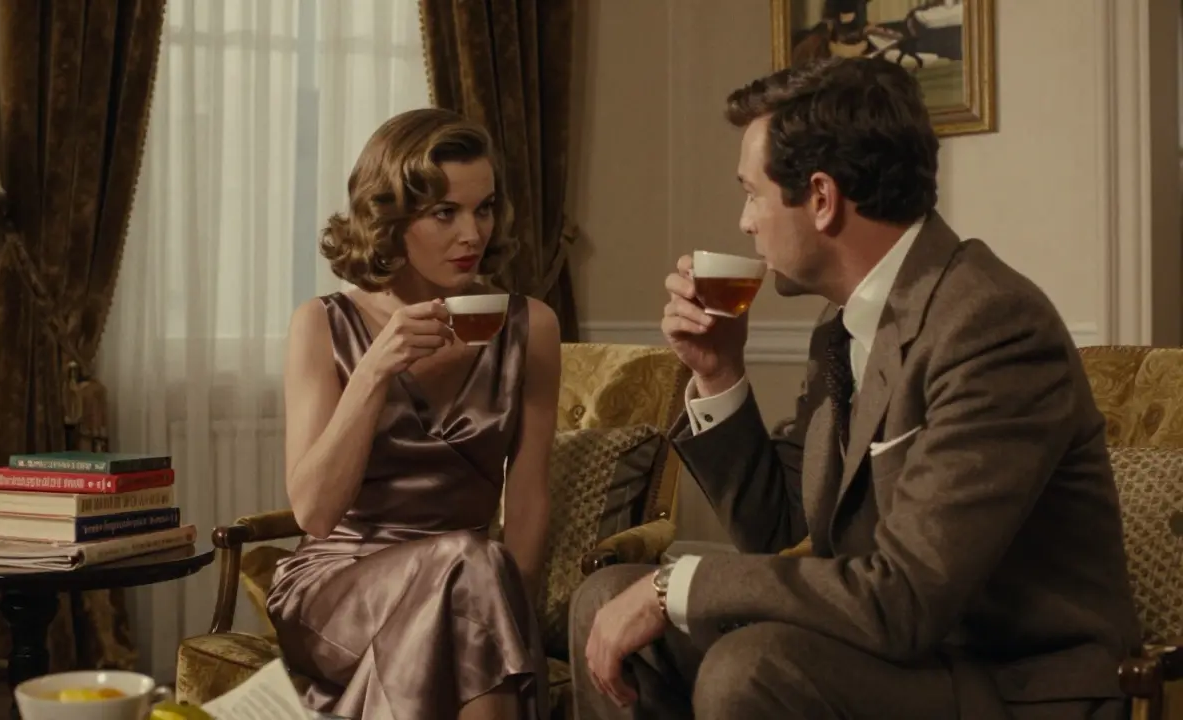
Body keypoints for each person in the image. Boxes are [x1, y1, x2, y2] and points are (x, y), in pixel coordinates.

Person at [569, 56, 1141, 719]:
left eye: (751, 194)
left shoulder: (990, 327)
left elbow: (907, 599)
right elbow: (781, 528)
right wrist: (718, 373)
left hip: (1010, 678)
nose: (744, 222)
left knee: (749, 668)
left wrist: (678, 584)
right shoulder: (843, 327)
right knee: (605, 597)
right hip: (895, 653)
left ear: (820, 197)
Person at [269, 107, 561, 720]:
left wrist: (511, 616)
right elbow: (315, 512)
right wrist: (375, 370)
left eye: (483, 208)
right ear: (390, 218)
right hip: (338, 585)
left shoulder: (529, 326)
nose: (472, 234)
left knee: (472, 574)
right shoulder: (322, 325)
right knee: (470, 564)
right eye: (445, 212)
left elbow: (529, 498)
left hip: (470, 589)